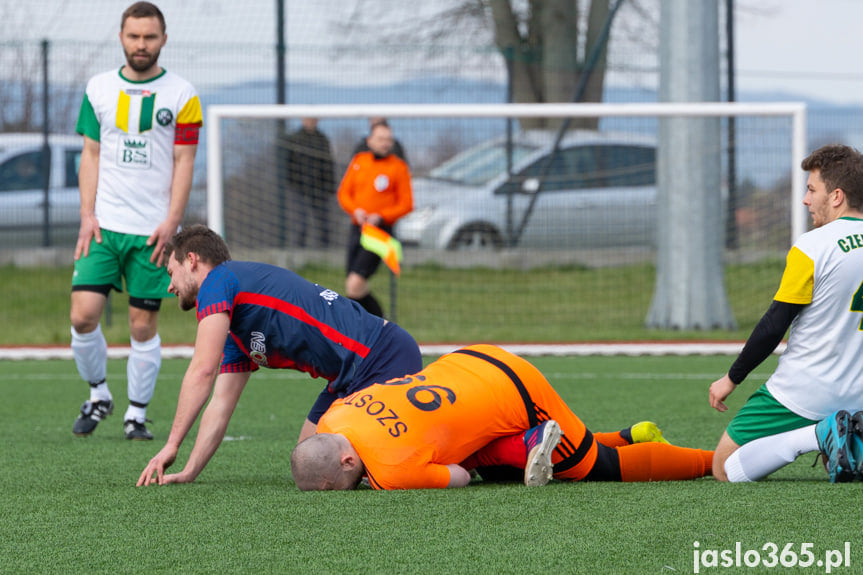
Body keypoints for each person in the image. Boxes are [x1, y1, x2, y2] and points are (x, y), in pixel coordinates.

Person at [136, 224, 421, 486]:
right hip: (348, 377)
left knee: (356, 468)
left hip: (383, 356)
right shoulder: (237, 330)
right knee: (308, 464)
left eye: (171, 273)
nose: (169, 286)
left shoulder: (218, 281)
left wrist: (171, 444)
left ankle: (441, 457)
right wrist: (189, 471)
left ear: (192, 260)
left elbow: (202, 371)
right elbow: (220, 405)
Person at [291, 344, 714, 490]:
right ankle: (627, 433)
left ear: (348, 462)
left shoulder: (389, 472)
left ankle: (713, 461)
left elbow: (458, 477)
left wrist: (386, 473)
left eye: (342, 486)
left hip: (517, 390)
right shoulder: (333, 415)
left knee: (594, 467)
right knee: (487, 457)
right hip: (466, 359)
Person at [70, 2, 203, 441]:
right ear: (121, 37)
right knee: (83, 316)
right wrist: (87, 216)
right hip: (104, 226)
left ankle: (136, 415)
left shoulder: (183, 95)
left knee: (142, 326)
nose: (141, 44)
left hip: (152, 230)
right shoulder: (99, 88)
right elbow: (90, 154)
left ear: (163, 39)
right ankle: (99, 394)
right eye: (134, 36)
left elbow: (185, 161)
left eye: (149, 37)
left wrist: (172, 222)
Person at [708, 144, 863, 482]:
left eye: (811, 190)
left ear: (836, 196)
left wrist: (730, 378)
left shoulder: (811, 246)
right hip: (859, 399)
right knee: (842, 456)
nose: (806, 200)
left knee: (723, 469)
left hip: (803, 391)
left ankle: (817, 434)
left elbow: (774, 325)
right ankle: (842, 434)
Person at [337, 122, 413, 317]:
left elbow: (407, 204)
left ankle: (378, 329)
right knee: (353, 287)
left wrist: (381, 216)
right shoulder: (359, 161)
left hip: (379, 233)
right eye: (380, 139)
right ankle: (371, 331)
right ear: (369, 141)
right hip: (357, 230)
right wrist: (356, 210)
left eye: (389, 139)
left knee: (355, 283)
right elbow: (344, 193)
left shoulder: (398, 167)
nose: (385, 143)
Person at [278, 118, 335, 248]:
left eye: (313, 119)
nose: (310, 122)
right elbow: (288, 163)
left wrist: (329, 186)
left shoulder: (323, 139)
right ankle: (299, 253)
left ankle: (324, 253)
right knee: (300, 223)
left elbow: (328, 164)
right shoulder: (294, 138)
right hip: (299, 187)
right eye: (308, 119)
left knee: (323, 223)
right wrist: (292, 182)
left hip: (320, 188)